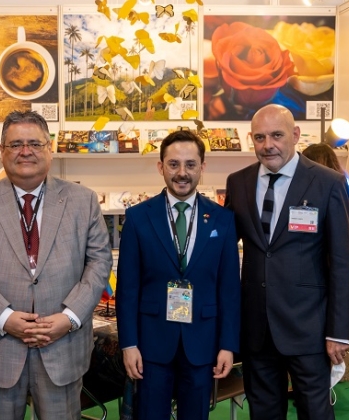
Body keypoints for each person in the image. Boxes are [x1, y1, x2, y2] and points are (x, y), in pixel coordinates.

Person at [0, 110, 112, 419]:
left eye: (34, 143)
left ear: (49, 149)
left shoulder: (83, 200)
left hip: (62, 346)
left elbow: (99, 261)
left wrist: (69, 317)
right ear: (2, 151)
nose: (25, 151)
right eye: (15, 144)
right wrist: (4, 317)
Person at [224, 104, 349, 419]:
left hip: (309, 326)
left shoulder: (328, 183)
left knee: (315, 412)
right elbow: (225, 252)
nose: (268, 144)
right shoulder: (238, 183)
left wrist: (338, 331)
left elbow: (342, 261)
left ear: (295, 135)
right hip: (257, 329)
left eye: (277, 135)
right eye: (259, 137)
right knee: (264, 412)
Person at [116, 130, 240, 420]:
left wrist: (227, 345)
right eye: (173, 164)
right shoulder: (137, 218)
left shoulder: (222, 219)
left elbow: (229, 289)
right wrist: (129, 344)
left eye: (190, 164)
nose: (182, 173)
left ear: (202, 167)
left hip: (203, 343)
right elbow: (128, 288)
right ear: (160, 167)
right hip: (151, 344)